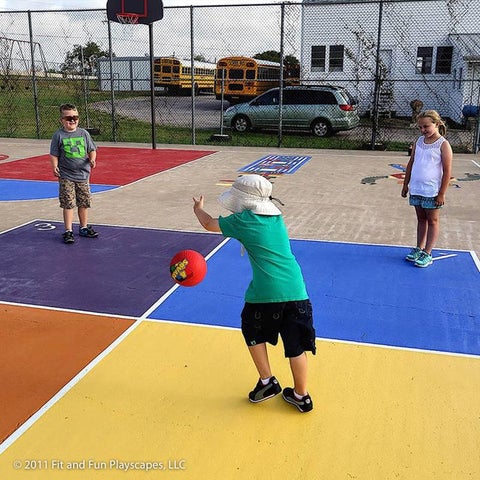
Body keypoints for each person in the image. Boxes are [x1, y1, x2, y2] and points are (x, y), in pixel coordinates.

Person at [193, 174, 316, 413]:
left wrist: (198, 209)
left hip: (266, 293)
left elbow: (209, 224)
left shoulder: (243, 221)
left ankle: (267, 382)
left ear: (243, 201)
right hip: (297, 290)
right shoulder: (277, 218)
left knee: (251, 327)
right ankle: (302, 395)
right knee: (296, 346)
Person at [401, 110, 453, 267]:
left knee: (433, 221)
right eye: (420, 127)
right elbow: (411, 163)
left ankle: (428, 253)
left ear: (436, 124)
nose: (423, 130)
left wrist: (441, 193)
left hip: (432, 191)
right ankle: (419, 247)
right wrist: (406, 184)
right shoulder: (419, 141)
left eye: (426, 126)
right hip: (417, 189)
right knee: (421, 219)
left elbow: (447, 171)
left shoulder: (443, 144)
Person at [50, 103, 99, 244]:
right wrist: (54, 166)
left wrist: (92, 159)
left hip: (83, 175)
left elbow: (92, 149)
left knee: (83, 202)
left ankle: (83, 227)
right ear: (62, 120)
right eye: (68, 118)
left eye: (75, 117)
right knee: (68, 203)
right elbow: (54, 154)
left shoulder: (83, 133)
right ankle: (68, 230)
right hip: (66, 175)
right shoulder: (58, 135)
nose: (72, 120)